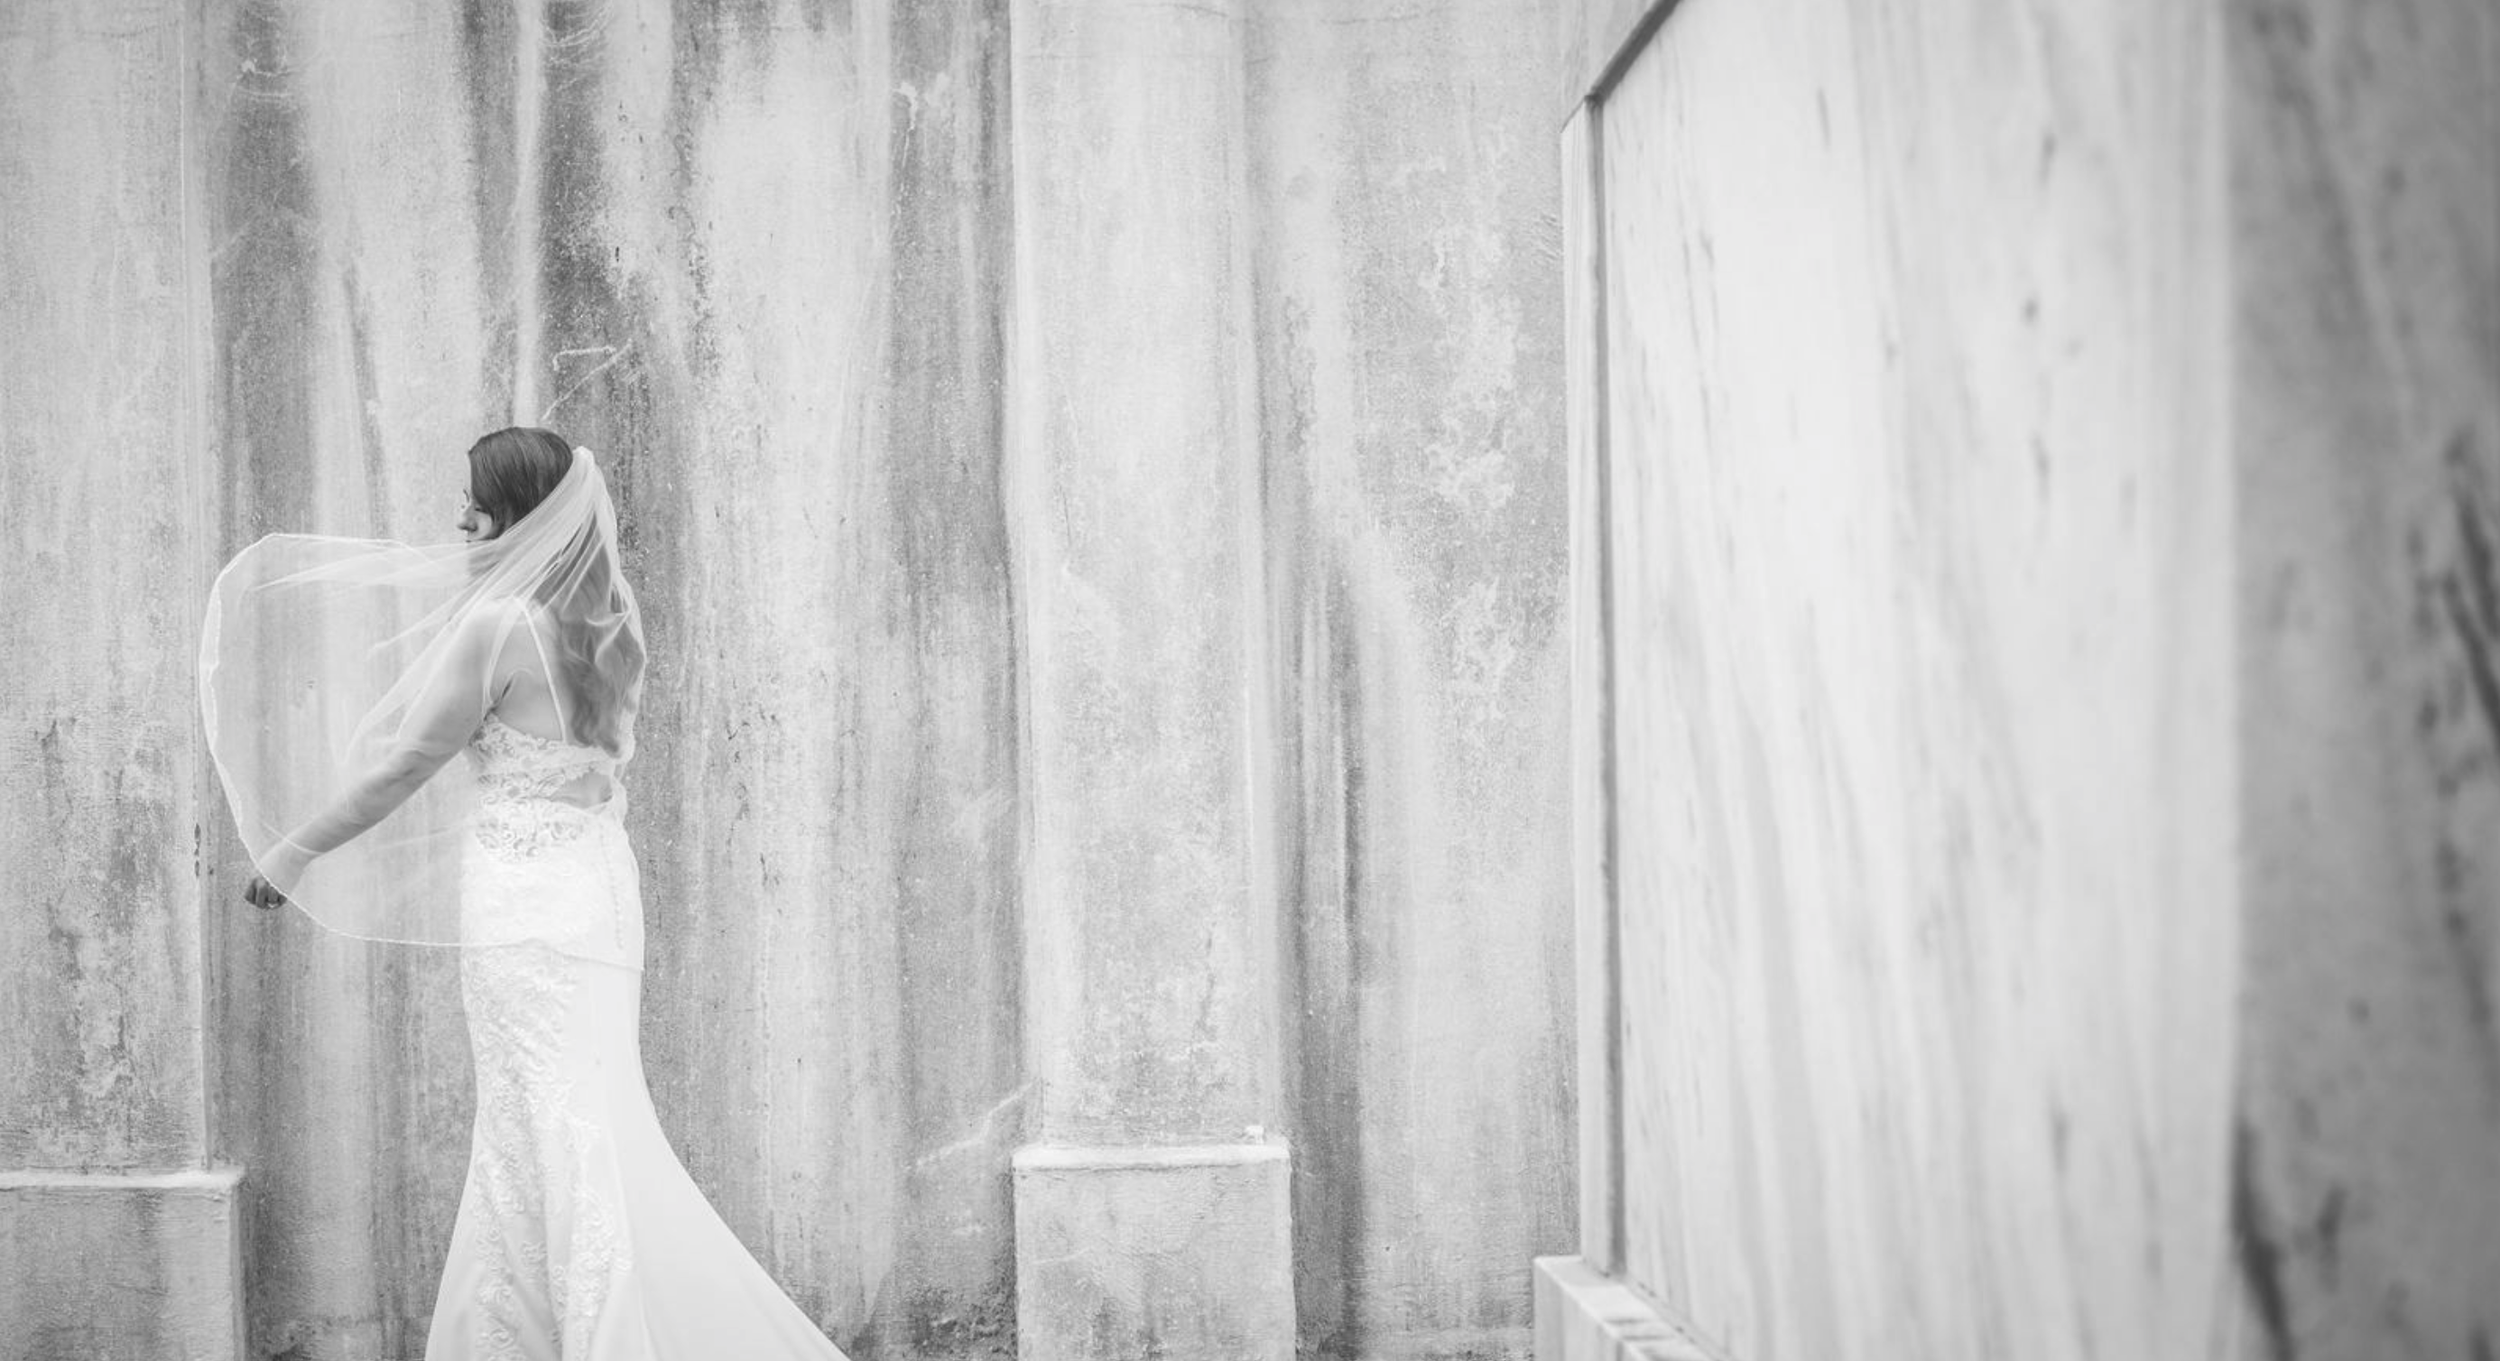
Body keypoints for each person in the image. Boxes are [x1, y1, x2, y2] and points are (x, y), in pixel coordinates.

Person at [203, 428, 847, 1359]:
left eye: (479, 503)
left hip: (525, 905)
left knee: (544, 1124)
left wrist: (292, 850)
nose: (461, 519)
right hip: (597, 892)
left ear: (521, 517)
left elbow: (405, 764)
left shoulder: (498, 624)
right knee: (579, 1118)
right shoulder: (613, 621)